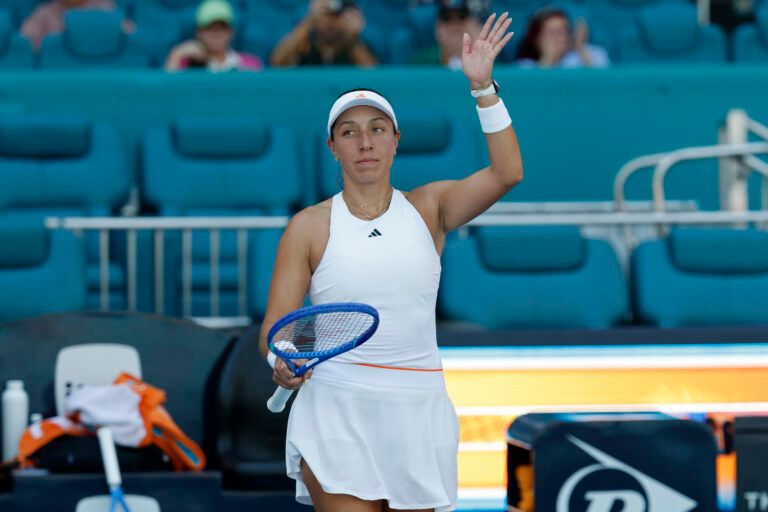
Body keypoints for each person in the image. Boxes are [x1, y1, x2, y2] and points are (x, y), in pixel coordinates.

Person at [260, 12, 521, 512]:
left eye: (378, 129)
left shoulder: (431, 207)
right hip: (336, 408)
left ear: (396, 140)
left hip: (417, 409)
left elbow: (508, 172)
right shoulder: (309, 226)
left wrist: (483, 87)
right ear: (332, 147)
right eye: (350, 132)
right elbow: (276, 327)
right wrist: (281, 361)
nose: (365, 142)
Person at [270, 0, 377, 67]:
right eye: (326, 15)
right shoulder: (304, 45)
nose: (330, 22)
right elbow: (278, 62)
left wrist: (353, 39)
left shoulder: (356, 47)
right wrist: (309, 21)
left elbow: (372, 73)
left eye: (337, 16)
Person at [165, 0, 262, 72]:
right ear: (198, 32)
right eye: (209, 28)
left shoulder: (250, 65)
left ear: (231, 32)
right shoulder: (186, 66)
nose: (216, 33)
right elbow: (167, 91)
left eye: (222, 27)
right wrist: (176, 55)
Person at [515, 7, 609, 68]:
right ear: (535, 39)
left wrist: (580, 47)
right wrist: (548, 60)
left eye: (560, 32)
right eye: (549, 32)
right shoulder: (525, 66)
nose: (555, 38)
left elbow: (602, 84)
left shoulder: (595, 54)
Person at [21, 0, 128, 52]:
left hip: (100, 72)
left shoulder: (105, 9)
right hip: (60, 75)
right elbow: (24, 43)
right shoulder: (44, 12)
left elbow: (131, 39)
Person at [410, 0, 483, 70]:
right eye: (446, 18)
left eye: (462, 16)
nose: (454, 25)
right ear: (437, 28)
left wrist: (477, 54)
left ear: (475, 24)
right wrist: (443, 57)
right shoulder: (422, 62)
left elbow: (492, 82)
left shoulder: (490, 58)